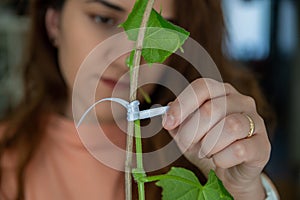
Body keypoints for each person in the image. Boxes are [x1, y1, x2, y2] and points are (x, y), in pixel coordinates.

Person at [0, 0, 279, 199]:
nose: (128, 59)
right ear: (53, 23)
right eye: (104, 19)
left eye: (156, 34)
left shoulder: (199, 152)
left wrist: (244, 192)